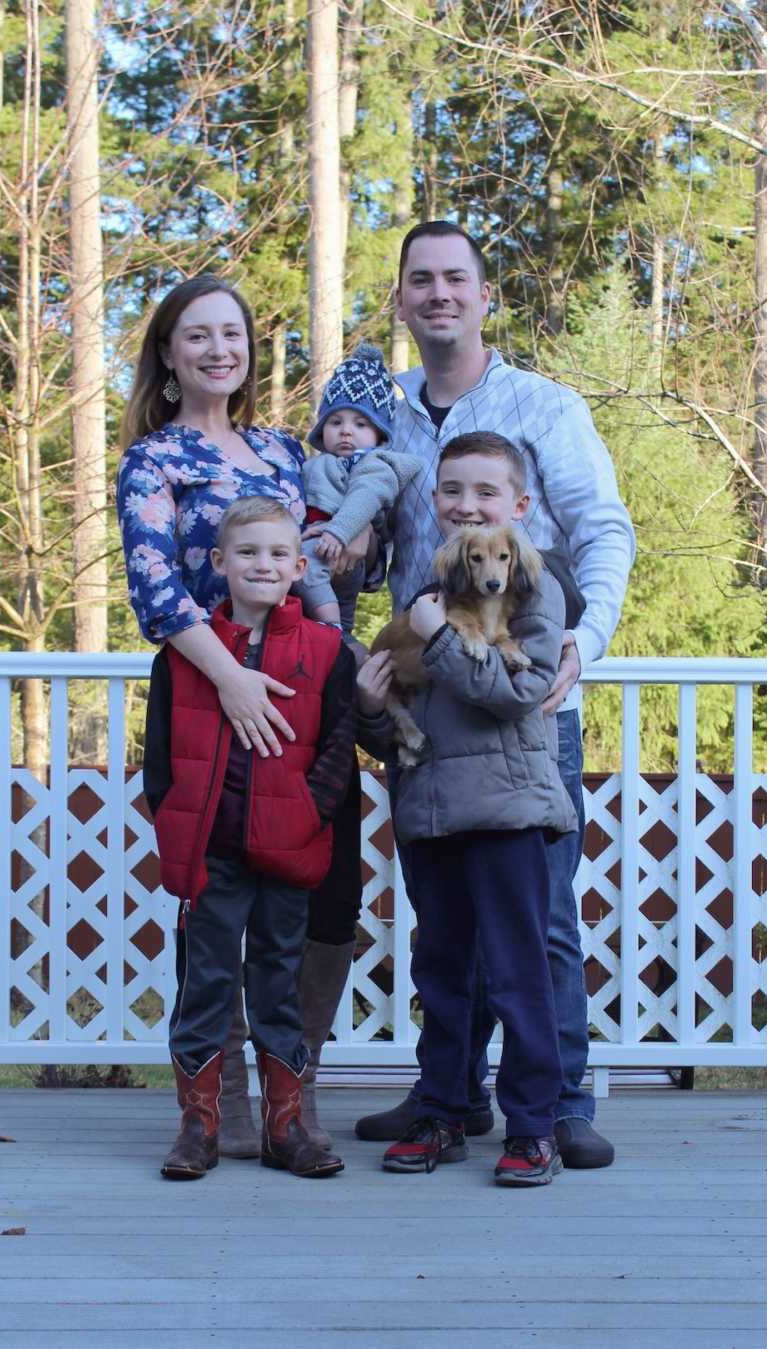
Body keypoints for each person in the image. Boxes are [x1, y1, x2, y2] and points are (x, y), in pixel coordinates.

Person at [354, 221, 636, 1168]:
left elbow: (603, 529)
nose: (438, 294)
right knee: (446, 924)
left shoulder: (543, 406)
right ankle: (448, 1099)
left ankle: (558, 1104)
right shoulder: (376, 413)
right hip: (428, 707)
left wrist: (581, 649)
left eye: (456, 279)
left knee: (540, 915)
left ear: (484, 294)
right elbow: (349, 546)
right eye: (420, 281)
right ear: (400, 300)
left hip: (526, 700)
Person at [116, 274, 366, 1161]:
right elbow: (153, 584)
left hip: (302, 685)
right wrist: (231, 680)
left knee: (318, 883)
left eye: (234, 333)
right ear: (169, 353)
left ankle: (293, 1107)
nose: (220, 348)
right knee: (213, 891)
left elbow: (322, 557)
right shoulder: (155, 459)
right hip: (198, 685)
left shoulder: (283, 450)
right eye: (198, 334)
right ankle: (205, 1111)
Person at [356, 437, 578, 1185]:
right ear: (435, 502)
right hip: (430, 811)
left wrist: (441, 638)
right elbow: (397, 712)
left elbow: (519, 693)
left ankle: (534, 1125)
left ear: (518, 508)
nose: (466, 504)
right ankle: (444, 1110)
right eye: (451, 489)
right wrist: (372, 709)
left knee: (519, 972)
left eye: (485, 491)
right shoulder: (430, 591)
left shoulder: (533, 591)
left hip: (508, 809)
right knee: (443, 970)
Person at [143, 497, 356, 1179]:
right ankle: (198, 1126)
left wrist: (304, 815)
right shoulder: (185, 652)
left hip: (288, 850)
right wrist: (179, 817)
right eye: (247, 553)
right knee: (204, 980)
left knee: (277, 983)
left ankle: (285, 1126)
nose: (262, 564)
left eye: (276, 554)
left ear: (299, 565)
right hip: (212, 851)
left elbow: (338, 750)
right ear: (218, 562)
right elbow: (159, 756)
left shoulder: (326, 651)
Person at [298, 342, 421, 650]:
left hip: (338, 544)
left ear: (380, 433)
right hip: (322, 544)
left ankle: (332, 631)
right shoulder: (315, 464)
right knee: (339, 606)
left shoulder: (373, 464)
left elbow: (366, 496)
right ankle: (344, 642)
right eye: (335, 422)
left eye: (360, 423)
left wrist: (341, 530)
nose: (346, 431)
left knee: (303, 570)